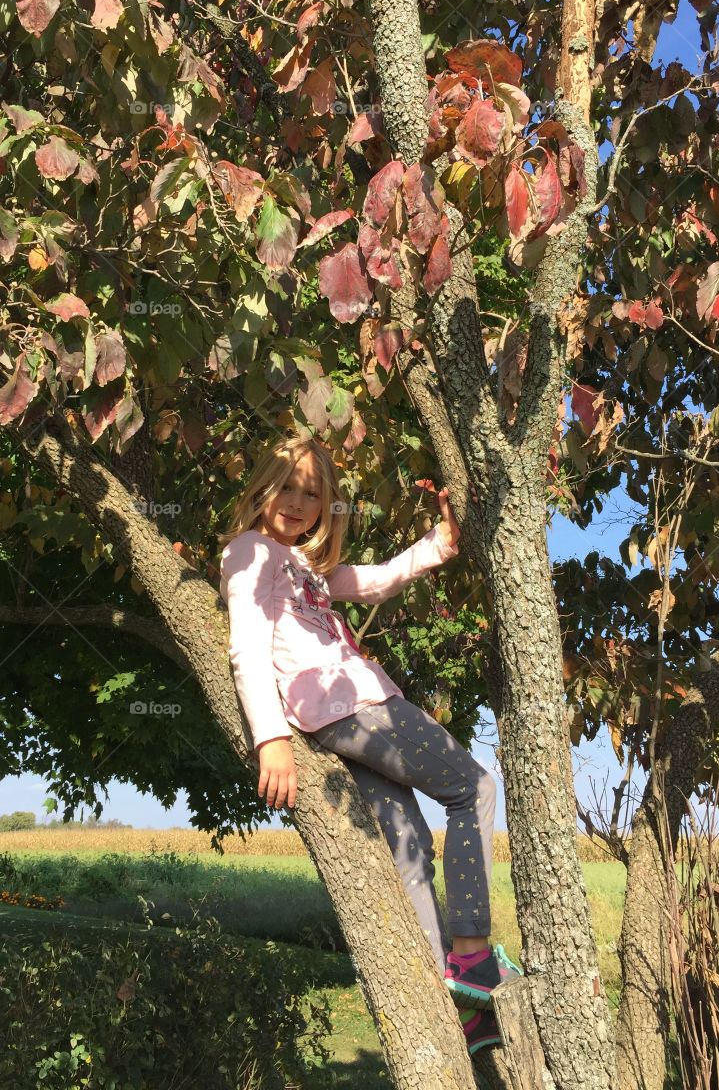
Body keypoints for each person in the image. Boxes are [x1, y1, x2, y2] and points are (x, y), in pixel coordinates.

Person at [218, 433, 522, 1054]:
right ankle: (471, 960)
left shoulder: (305, 566)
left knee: (408, 849)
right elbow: (246, 646)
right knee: (474, 788)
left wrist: (440, 545)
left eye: (313, 493)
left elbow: (378, 580)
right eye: (287, 486)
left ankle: (451, 1000)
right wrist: (269, 739)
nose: (299, 502)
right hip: (353, 707)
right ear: (261, 488)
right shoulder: (250, 551)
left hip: (348, 710)